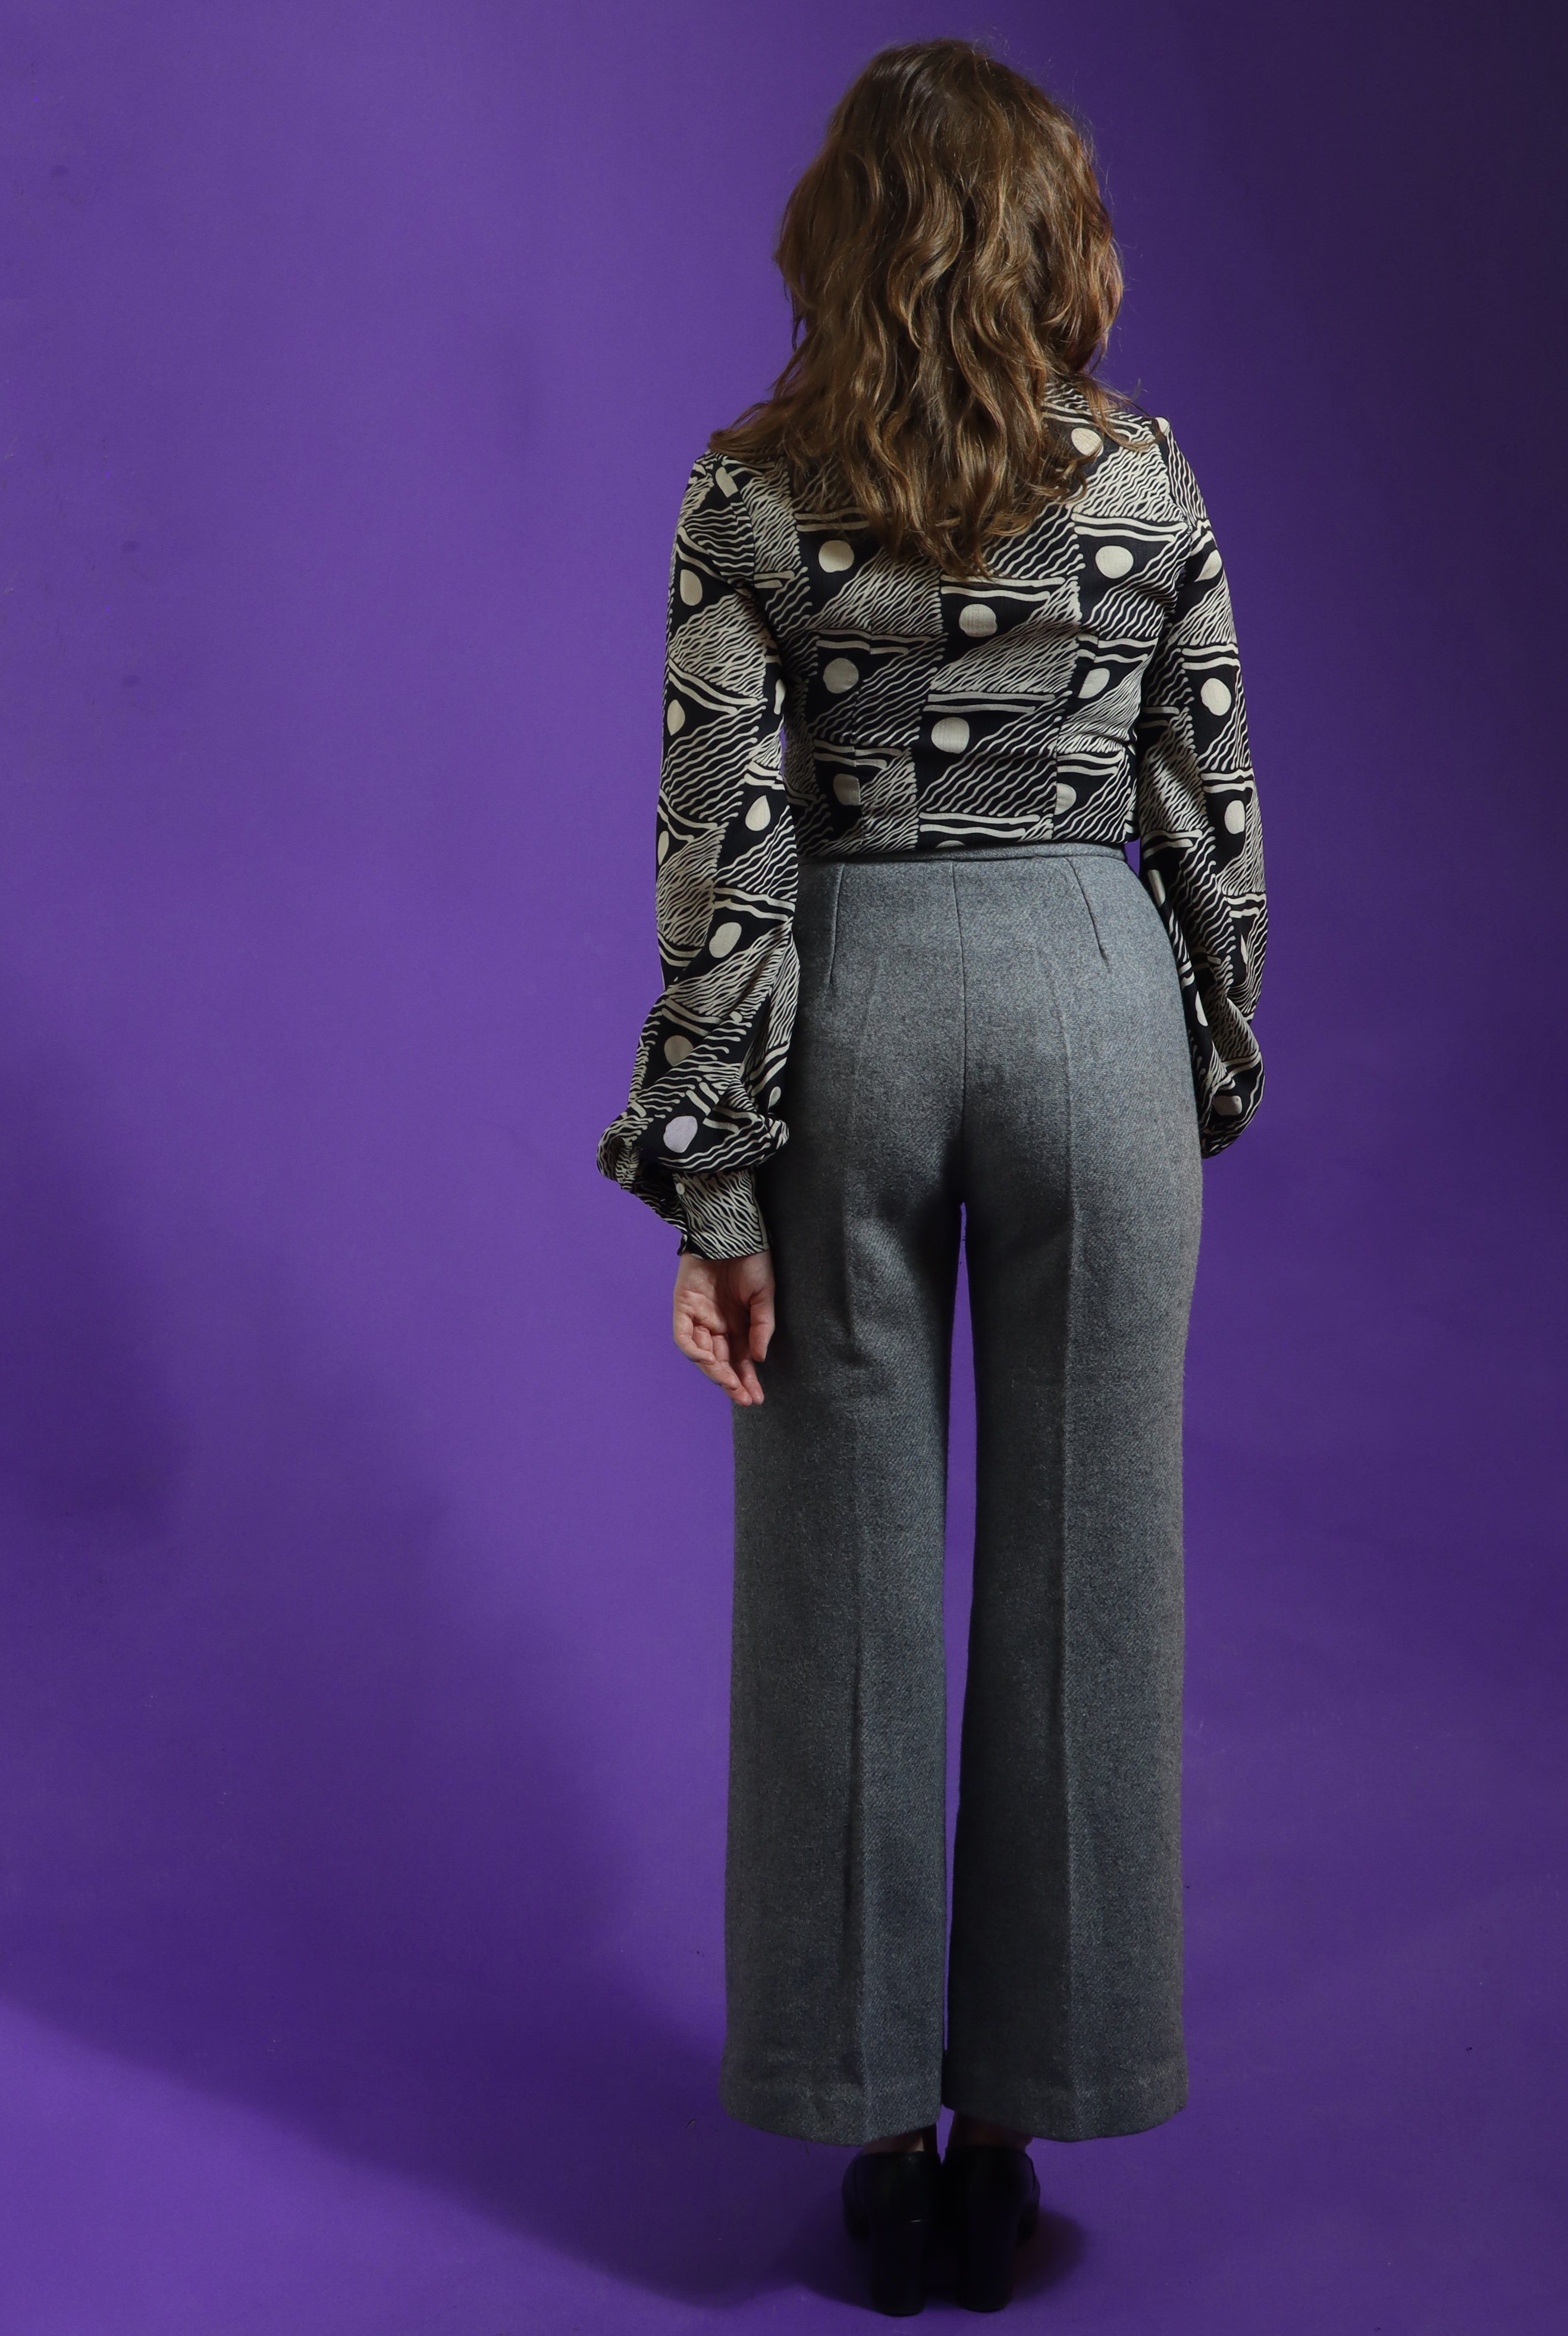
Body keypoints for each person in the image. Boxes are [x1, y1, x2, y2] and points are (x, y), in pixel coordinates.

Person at [597, 37, 1266, 2318]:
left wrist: (715, 1190)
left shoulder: (749, 489)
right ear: (1057, 236)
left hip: (856, 1009)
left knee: (838, 1579)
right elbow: (1210, 807)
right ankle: (1019, 2128)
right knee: (1099, 1572)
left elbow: (723, 851)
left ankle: (874, 2124)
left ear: (838, 239)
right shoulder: (1147, 475)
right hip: (1093, 995)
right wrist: (1199, 1061)